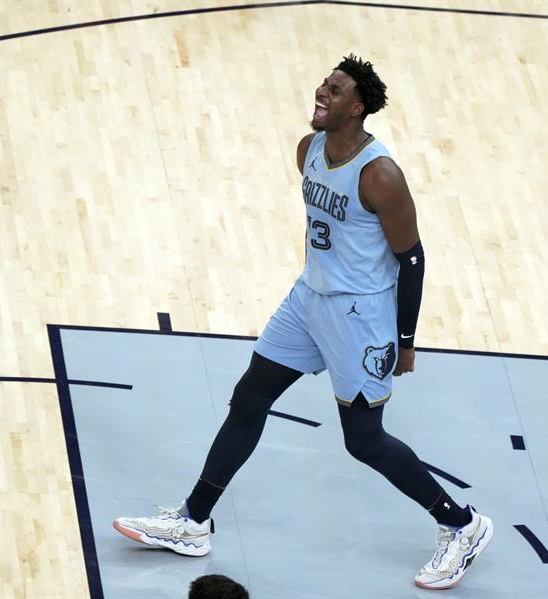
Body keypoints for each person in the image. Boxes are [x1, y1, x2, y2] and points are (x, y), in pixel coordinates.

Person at [112, 54, 493, 591]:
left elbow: (412, 258)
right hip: (308, 301)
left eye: (334, 90)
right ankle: (193, 522)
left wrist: (405, 341)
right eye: (324, 84)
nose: (322, 92)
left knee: (364, 441)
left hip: (361, 317)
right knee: (249, 399)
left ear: (357, 108)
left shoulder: (380, 175)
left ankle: (463, 525)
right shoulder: (308, 150)